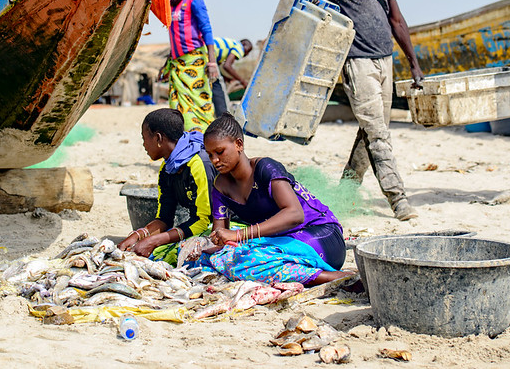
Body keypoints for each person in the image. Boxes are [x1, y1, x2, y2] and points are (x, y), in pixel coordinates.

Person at [316, 0, 423, 222]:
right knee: (378, 133)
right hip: (356, 60)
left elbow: (396, 19)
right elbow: (323, 13)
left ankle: (346, 192)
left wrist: (413, 63)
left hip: (384, 59)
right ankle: (398, 198)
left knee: (372, 130)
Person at [199, 113, 349, 286]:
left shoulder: (266, 168)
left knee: (253, 259)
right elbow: (220, 234)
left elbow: (295, 214)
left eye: (220, 152)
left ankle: (334, 277)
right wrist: (218, 239)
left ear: (239, 144)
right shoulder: (220, 186)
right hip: (281, 241)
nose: (215, 160)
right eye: (210, 155)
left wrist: (239, 235)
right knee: (214, 258)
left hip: (321, 236)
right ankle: (297, 273)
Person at [117, 108, 215, 265]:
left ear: (158, 138)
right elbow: (164, 219)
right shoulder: (167, 168)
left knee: (187, 257)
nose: (143, 144)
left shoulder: (198, 164)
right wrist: (138, 235)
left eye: (144, 138)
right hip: (199, 227)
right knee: (149, 256)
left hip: (223, 227)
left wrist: (154, 240)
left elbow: (204, 220)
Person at [160, 0, 218, 132]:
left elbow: (206, 29)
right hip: (177, 63)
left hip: (194, 60)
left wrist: (212, 62)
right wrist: (167, 63)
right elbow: (174, 36)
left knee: (199, 101)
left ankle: (205, 138)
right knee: (176, 103)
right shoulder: (172, 4)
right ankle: (184, 138)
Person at [211, 37, 253, 117]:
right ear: (244, 45)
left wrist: (228, 79)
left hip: (202, 53)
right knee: (219, 91)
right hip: (207, 55)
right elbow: (227, 66)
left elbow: (218, 71)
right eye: (248, 51)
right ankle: (223, 119)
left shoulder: (226, 49)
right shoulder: (239, 47)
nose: (246, 54)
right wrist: (243, 81)